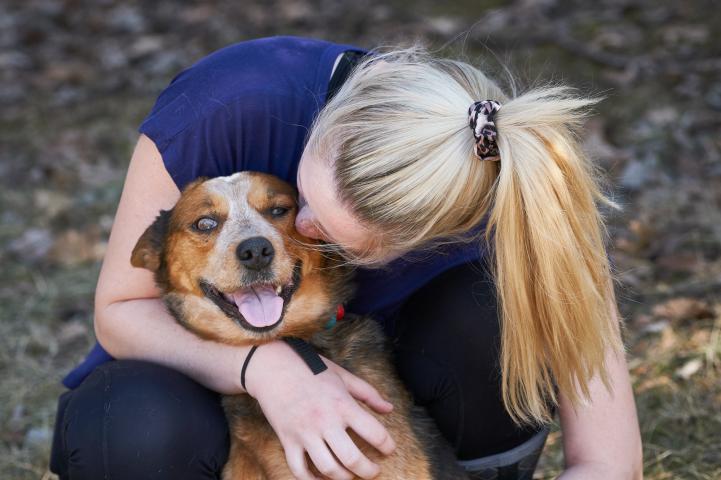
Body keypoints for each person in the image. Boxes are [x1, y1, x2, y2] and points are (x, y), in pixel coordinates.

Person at [49, 35, 642, 480]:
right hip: (191, 389)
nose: (295, 230)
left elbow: (610, 463)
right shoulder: (232, 100)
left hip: (396, 382)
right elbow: (119, 307)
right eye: (300, 197)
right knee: (135, 423)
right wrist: (272, 370)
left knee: (489, 309)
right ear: (324, 127)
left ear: (420, 240)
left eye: (328, 235)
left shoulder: (518, 180)